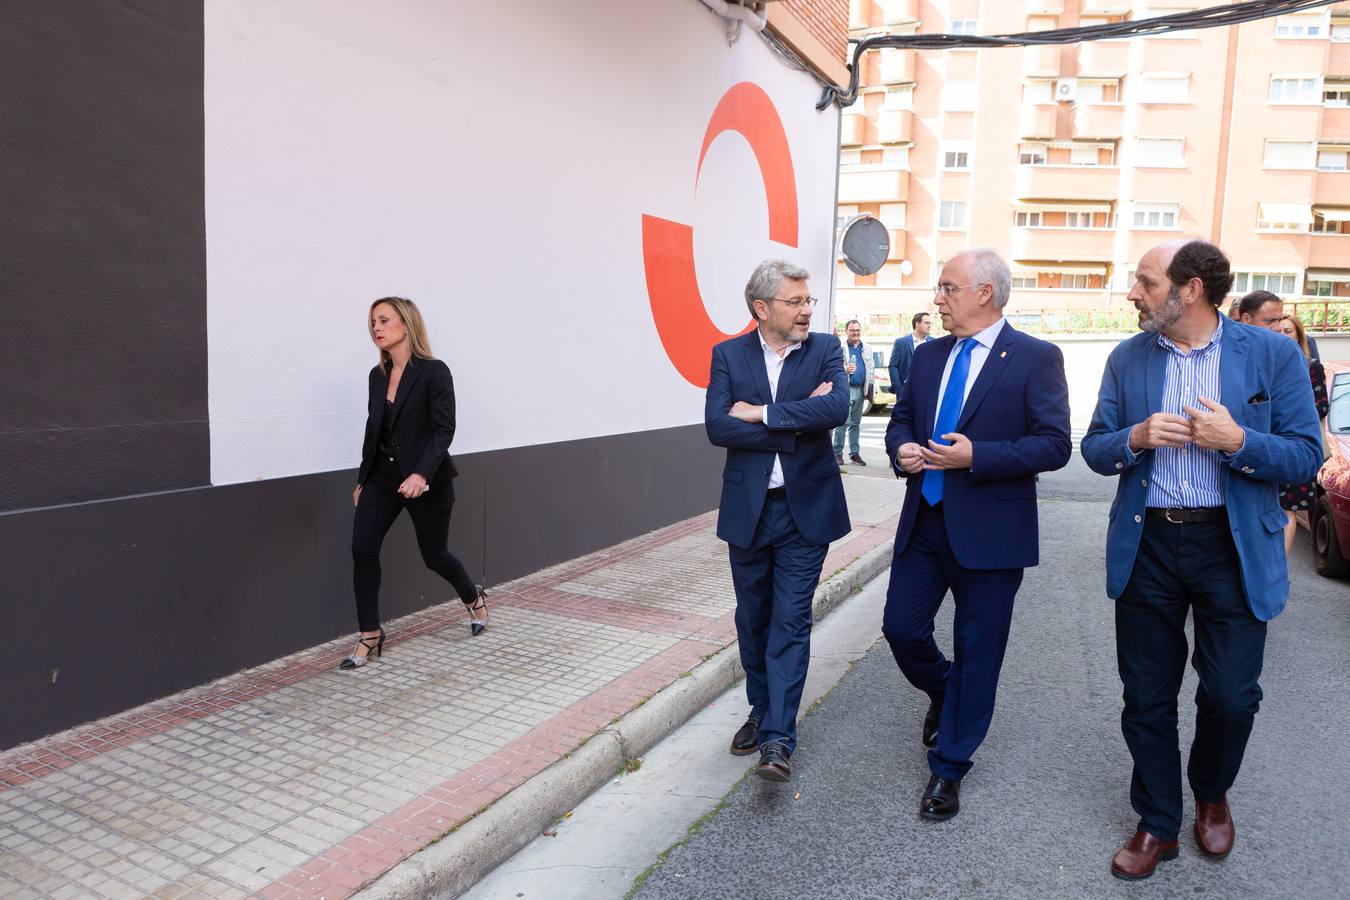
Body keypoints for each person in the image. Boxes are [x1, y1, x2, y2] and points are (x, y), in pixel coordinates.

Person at [1081, 240, 1322, 880]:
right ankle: (1158, 820)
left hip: (1232, 543)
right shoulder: (1128, 358)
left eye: (1145, 282)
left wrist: (1238, 440)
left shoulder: (1270, 352)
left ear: (1189, 289)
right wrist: (1132, 437)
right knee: (1147, 695)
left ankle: (1211, 793)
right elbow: (1095, 448)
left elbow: (1304, 455)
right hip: (1149, 541)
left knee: (1232, 696)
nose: (1132, 292)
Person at [881, 248, 1071, 821]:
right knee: (900, 628)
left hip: (992, 529)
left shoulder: (1036, 357)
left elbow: (1055, 444)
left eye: (947, 288)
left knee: (979, 649)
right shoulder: (929, 355)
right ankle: (946, 691)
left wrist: (976, 457)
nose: (937, 300)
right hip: (925, 519)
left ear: (984, 292)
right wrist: (902, 450)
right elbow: (901, 420)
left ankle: (950, 766)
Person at [705, 259, 851, 783]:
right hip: (748, 512)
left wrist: (761, 413)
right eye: (796, 301)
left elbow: (837, 409)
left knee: (789, 620)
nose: (808, 310)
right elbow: (718, 428)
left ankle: (777, 739)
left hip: (803, 511)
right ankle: (761, 707)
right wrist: (794, 421)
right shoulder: (728, 355)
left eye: (808, 300)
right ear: (762, 308)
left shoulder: (827, 349)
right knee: (753, 619)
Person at [345, 297, 488, 670]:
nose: (376, 327)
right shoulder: (377, 376)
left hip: (427, 480)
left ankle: (473, 598)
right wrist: (363, 479)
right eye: (373, 321)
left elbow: (444, 430)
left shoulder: (434, 372)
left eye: (384, 320)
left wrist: (421, 473)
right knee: (362, 548)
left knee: (434, 555)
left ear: (406, 325)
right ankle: (369, 634)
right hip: (382, 478)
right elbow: (372, 431)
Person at [1275, 314, 1331, 553]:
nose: (1283, 335)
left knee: (1288, 508)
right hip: (1269, 444)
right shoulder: (1266, 363)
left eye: (1288, 331)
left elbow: (1322, 406)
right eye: (1279, 331)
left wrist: (1288, 413)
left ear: (1298, 334)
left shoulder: (1311, 366)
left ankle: (1280, 570)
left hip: (1297, 446)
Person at [833, 319, 872, 466]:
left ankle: (854, 453)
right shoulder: (840, 348)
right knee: (843, 422)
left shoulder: (867, 347)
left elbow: (871, 369)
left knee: (855, 424)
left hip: (861, 389)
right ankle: (837, 453)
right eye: (852, 330)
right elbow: (834, 368)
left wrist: (870, 389)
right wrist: (845, 370)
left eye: (858, 330)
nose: (856, 333)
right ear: (846, 332)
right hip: (845, 389)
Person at [888, 312, 934, 395]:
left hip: (927, 391)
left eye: (930, 323)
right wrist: (899, 389)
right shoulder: (901, 342)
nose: (929, 326)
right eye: (926, 323)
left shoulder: (933, 342)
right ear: (917, 323)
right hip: (906, 390)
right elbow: (893, 366)